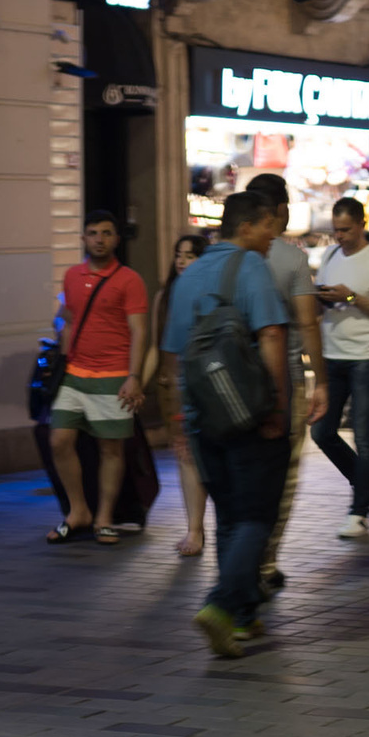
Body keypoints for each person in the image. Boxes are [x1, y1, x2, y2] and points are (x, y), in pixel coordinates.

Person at [159, 190, 291, 659]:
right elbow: (272, 335)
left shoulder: (188, 277)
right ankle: (219, 605)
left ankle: (242, 615)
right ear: (248, 226)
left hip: (203, 418)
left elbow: (174, 359)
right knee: (256, 516)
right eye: (269, 225)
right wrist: (275, 407)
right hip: (251, 416)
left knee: (230, 515)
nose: (274, 235)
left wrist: (179, 421)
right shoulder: (251, 267)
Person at [44, 212, 148, 547]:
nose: (99, 239)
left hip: (113, 374)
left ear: (116, 239)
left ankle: (104, 517)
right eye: (92, 233)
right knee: (59, 440)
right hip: (75, 373)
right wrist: (61, 344)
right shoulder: (72, 276)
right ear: (83, 238)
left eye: (106, 233)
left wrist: (134, 377)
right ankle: (78, 512)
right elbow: (68, 317)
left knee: (111, 449)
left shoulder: (129, 280)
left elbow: (139, 330)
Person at [244, 173, 325, 594]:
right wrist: (321, 382)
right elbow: (307, 325)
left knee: (241, 476)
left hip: (234, 387)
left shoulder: (223, 256)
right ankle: (265, 561)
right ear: (279, 211)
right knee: (282, 477)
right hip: (284, 384)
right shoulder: (291, 259)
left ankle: (237, 560)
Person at [312, 196, 369, 541]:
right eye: (335, 230)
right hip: (332, 355)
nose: (340, 237)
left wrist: (350, 298)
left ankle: (359, 512)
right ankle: (365, 481)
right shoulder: (331, 256)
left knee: (364, 435)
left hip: (365, 356)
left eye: (346, 230)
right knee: (321, 432)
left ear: (362, 225)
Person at [137, 233, 212, 558]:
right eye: (179, 255)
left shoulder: (211, 294)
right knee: (184, 456)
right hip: (174, 386)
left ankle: (206, 526)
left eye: (190, 255)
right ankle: (194, 527)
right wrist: (138, 382)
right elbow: (157, 346)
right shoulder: (165, 296)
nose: (182, 261)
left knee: (207, 456)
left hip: (208, 385)